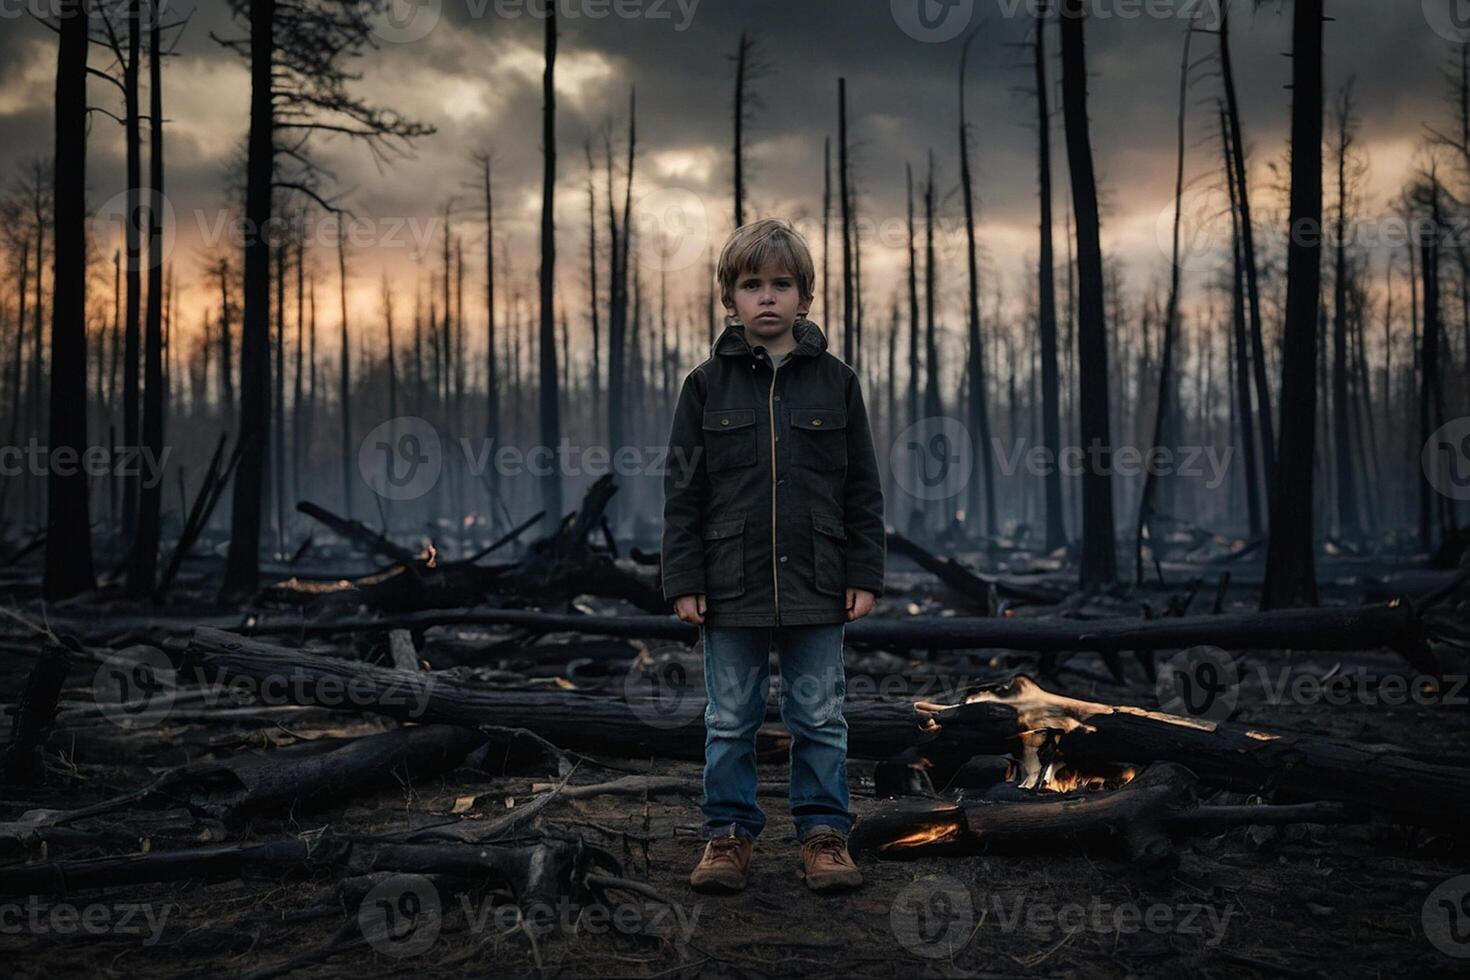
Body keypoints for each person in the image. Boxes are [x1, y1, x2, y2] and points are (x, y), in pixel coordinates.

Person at [660, 218, 886, 894]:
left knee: (819, 715)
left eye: (781, 285)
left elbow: (863, 488)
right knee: (729, 719)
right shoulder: (705, 386)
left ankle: (824, 836)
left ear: (805, 298)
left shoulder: (837, 382)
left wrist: (863, 574)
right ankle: (728, 836)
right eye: (751, 284)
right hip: (731, 585)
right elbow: (682, 491)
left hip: (819, 582)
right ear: (730, 297)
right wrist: (684, 580)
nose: (767, 297)